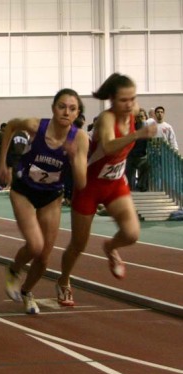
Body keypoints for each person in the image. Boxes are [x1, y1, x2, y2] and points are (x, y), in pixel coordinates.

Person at [57, 73, 157, 306]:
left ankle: (110, 247)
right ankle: (63, 281)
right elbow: (110, 146)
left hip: (115, 183)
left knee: (132, 234)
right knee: (78, 244)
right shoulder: (106, 119)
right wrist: (139, 133)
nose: (130, 104)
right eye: (124, 100)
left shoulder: (132, 110)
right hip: (90, 186)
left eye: (133, 98)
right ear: (112, 99)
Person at [0, 88, 89, 314]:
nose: (66, 112)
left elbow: (81, 183)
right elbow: (10, 126)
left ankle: (27, 291)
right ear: (53, 108)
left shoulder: (80, 138)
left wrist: (74, 156)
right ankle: (14, 269)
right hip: (24, 190)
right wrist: (3, 163)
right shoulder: (36, 126)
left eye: (72, 108)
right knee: (35, 245)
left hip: (51, 196)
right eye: (62, 106)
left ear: (77, 114)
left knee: (44, 256)